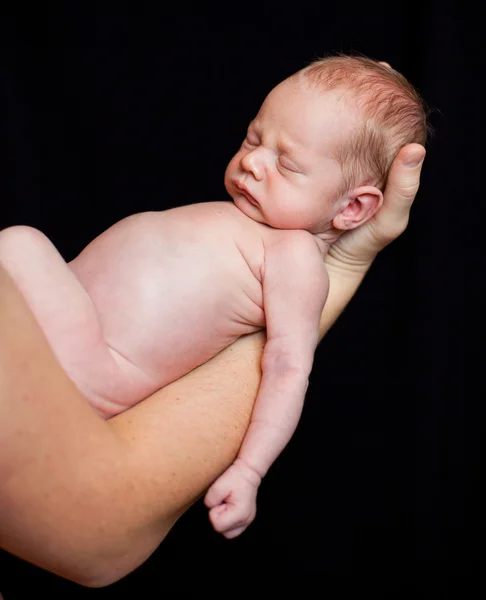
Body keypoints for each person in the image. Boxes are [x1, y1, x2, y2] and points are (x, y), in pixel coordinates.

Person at [0, 55, 428, 541]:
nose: (252, 161)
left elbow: (289, 367)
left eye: (286, 164)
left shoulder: (294, 255)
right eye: (253, 137)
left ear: (353, 207)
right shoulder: (246, 224)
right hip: (55, 336)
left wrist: (250, 469)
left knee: (19, 243)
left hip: (93, 365)